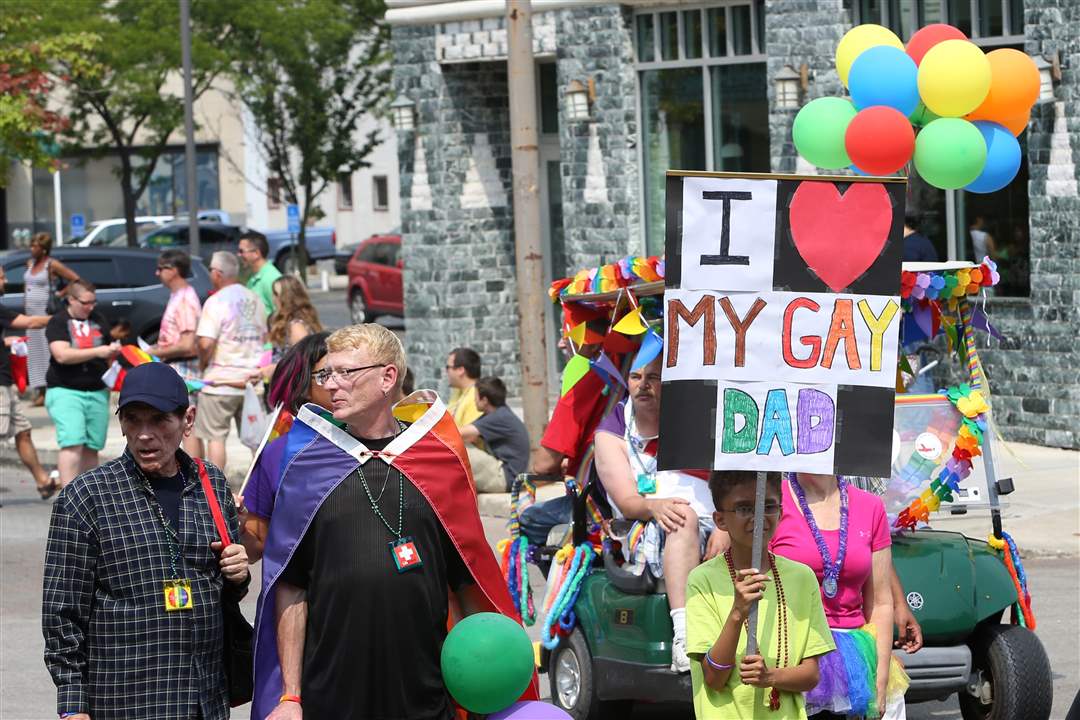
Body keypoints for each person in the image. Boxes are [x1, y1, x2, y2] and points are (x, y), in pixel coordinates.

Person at [253, 323, 536, 719]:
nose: (332, 385)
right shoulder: (307, 463)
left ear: (388, 377)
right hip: (331, 694)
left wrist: (488, 678)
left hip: (424, 691)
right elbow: (291, 586)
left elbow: (469, 576)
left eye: (345, 373)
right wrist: (291, 697)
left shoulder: (439, 460)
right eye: (326, 374)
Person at [42, 362, 249, 720]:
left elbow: (222, 591)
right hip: (127, 700)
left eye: (158, 420)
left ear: (188, 420)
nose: (144, 434)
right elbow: (62, 611)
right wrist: (73, 706)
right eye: (133, 419)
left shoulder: (210, 483)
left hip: (204, 699)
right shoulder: (86, 496)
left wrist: (237, 574)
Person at [595, 354, 727, 673]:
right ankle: (685, 635)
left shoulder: (693, 420)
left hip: (715, 520)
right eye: (636, 376)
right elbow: (628, 502)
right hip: (647, 523)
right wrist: (655, 505)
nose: (644, 385)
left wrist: (726, 526)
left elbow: (730, 482)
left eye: (653, 377)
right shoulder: (611, 433)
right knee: (683, 517)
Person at [687, 471, 835, 719]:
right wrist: (737, 613)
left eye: (768, 506)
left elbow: (811, 675)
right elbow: (713, 678)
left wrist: (771, 677)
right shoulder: (703, 580)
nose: (759, 518)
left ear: (781, 511)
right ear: (720, 520)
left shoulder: (802, 577)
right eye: (744, 508)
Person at [770, 474, 909, 718]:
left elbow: (881, 602)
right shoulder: (771, 501)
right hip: (792, 649)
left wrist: (881, 673)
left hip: (854, 653)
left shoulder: (870, 505)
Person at [517, 337, 624, 547]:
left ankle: (565, 575)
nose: (561, 343)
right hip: (628, 494)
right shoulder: (630, 376)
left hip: (599, 504)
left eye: (570, 335)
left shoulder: (586, 377)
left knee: (529, 519)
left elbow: (543, 465)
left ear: (592, 344)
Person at [241, 331, 332, 562]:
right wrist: (237, 524)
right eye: (326, 374)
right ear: (302, 383)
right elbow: (255, 546)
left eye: (348, 372)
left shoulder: (381, 441)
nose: (339, 382)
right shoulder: (278, 453)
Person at [195, 251, 267, 472]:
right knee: (257, 441)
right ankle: (264, 489)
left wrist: (202, 364)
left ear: (217, 274)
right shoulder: (255, 299)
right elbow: (264, 339)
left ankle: (215, 491)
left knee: (216, 438)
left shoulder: (216, 301)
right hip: (252, 381)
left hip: (220, 382)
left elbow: (206, 343)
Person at [44, 279, 119, 486]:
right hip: (66, 389)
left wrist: (113, 353)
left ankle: (89, 495)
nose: (90, 307)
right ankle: (69, 498)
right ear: (71, 299)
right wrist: (98, 351)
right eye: (86, 302)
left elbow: (108, 348)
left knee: (92, 446)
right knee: (72, 442)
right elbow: (61, 355)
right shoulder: (58, 321)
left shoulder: (98, 319)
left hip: (97, 389)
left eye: (93, 302)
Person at [0, 265, 56, 498]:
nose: (4, 281)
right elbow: (31, 322)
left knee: (23, 431)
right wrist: (62, 318)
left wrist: (5, 342)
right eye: (1, 277)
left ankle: (43, 481)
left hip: (6, 382)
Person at [147, 248, 203, 454]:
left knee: (186, 424)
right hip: (177, 365)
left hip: (184, 367)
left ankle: (194, 475)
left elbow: (188, 344)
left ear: (174, 270)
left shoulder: (185, 300)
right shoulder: (178, 296)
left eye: (160, 268)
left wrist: (159, 351)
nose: (157, 273)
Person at [23, 232, 80, 406]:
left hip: (45, 312)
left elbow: (75, 279)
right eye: (31, 246)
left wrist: (60, 293)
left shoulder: (51, 264)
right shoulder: (31, 264)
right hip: (31, 314)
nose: (32, 249)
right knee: (34, 353)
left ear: (44, 248)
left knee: (48, 350)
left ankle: (50, 387)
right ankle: (39, 389)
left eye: (35, 246)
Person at [459, 376, 530, 493]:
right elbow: (469, 435)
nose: (474, 401)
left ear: (484, 400)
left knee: (458, 449)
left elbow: (460, 433)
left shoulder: (500, 417)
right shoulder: (497, 414)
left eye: (475, 397)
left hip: (507, 478)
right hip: (507, 475)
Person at [267, 274, 322, 357]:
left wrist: (270, 369)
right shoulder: (288, 320)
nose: (273, 298)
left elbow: (301, 362)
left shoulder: (296, 327)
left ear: (286, 297)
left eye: (276, 294)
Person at [239, 230, 283, 316]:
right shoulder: (254, 278)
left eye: (241, 251)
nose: (238, 255)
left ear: (256, 253)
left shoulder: (271, 279)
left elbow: (283, 315)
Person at [445, 346, 483, 426]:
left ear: (460, 370)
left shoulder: (475, 398)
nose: (446, 372)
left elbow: (470, 436)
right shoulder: (458, 391)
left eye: (448, 367)